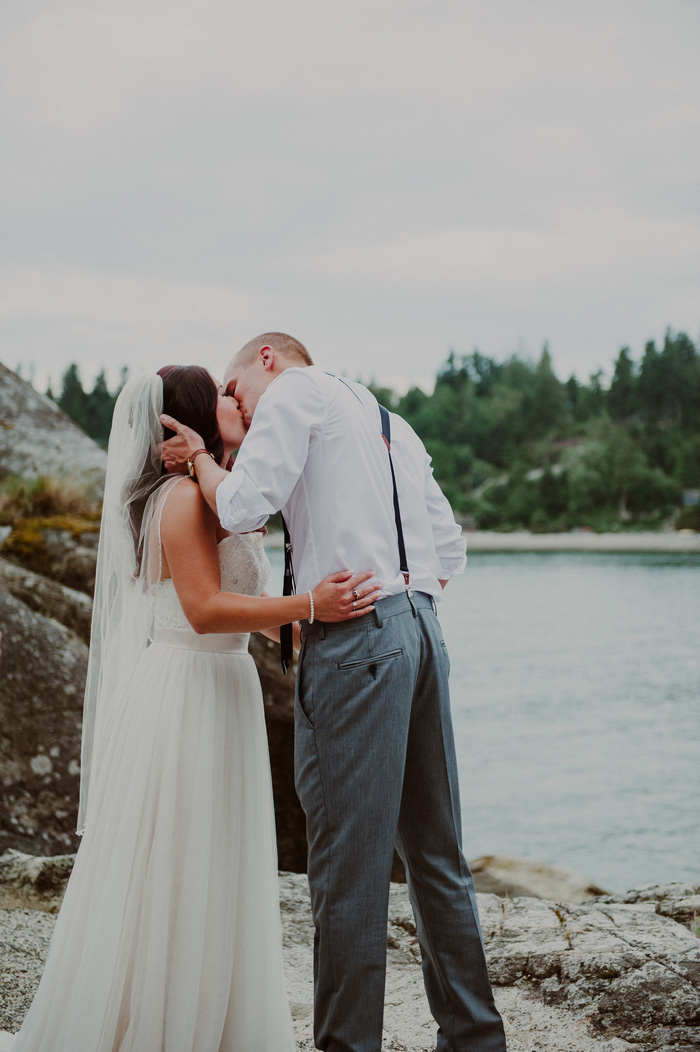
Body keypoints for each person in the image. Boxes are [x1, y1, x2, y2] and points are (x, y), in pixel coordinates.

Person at [2, 365, 378, 1052]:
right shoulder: (178, 499)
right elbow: (204, 612)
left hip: (224, 683)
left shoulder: (215, 494)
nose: (237, 402)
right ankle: (164, 1026)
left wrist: (329, 636)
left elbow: (246, 616)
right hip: (185, 689)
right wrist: (308, 604)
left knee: (217, 856)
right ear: (193, 417)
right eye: (224, 395)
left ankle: (216, 1015)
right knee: (178, 858)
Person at [161, 334, 507, 1052]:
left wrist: (198, 458)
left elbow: (243, 507)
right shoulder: (392, 423)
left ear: (265, 361)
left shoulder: (292, 392)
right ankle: (475, 1039)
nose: (239, 410)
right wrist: (402, 604)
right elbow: (450, 549)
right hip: (422, 630)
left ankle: (348, 1046)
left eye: (234, 391)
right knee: (437, 858)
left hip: (358, 639)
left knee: (348, 867)